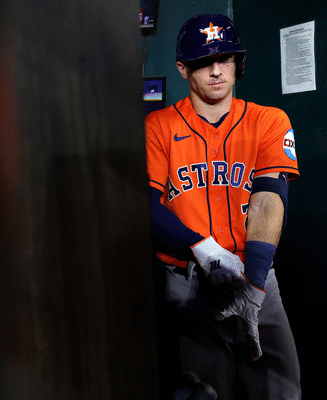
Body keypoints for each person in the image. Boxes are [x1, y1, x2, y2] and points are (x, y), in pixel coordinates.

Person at [145, 13, 301, 400]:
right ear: (183, 68)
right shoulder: (158, 126)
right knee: (204, 395)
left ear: (239, 63)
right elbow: (142, 205)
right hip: (189, 287)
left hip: (257, 279)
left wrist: (255, 285)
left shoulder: (269, 120)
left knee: (282, 393)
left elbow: (268, 201)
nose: (216, 70)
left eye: (226, 58)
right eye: (203, 61)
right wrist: (203, 247)